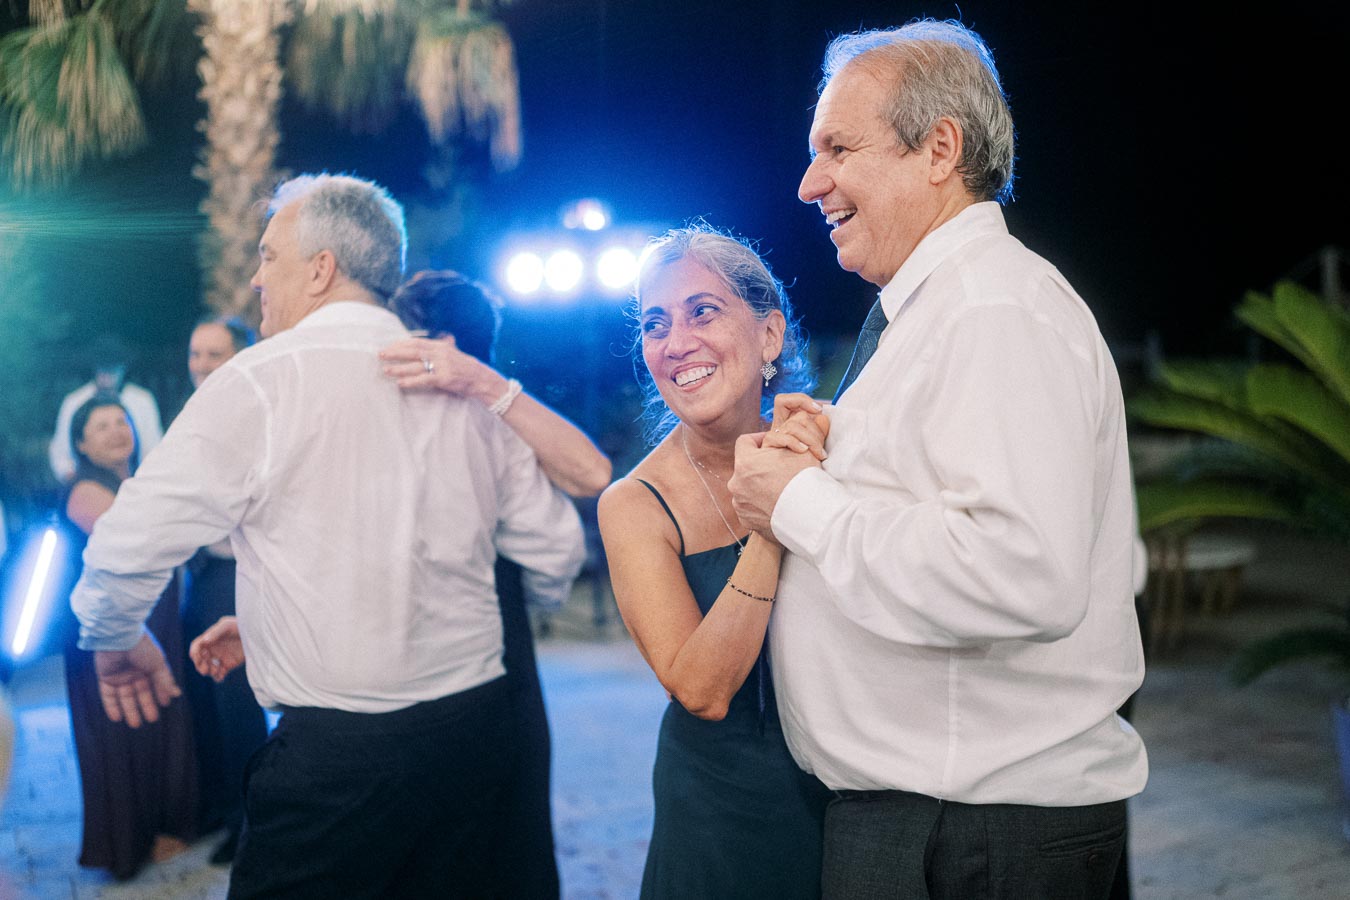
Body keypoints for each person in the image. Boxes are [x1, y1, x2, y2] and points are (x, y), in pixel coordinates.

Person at [69, 173, 586, 898]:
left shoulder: (259, 382)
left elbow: (128, 544)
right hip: (476, 736)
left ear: (321, 268)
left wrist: (114, 637)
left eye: (268, 255)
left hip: (340, 765)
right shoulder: (460, 385)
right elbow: (555, 552)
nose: (255, 277)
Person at [728, 21, 1148, 899]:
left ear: (940, 149)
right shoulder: (943, 308)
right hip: (949, 812)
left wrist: (801, 499)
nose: (811, 184)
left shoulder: (991, 310)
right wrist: (843, 444)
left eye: (838, 147)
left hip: (973, 828)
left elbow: (1018, 570)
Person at [596, 225, 832, 899]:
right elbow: (700, 690)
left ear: (768, 335)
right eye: (655, 323)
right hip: (722, 825)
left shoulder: (829, 442)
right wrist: (773, 519)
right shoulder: (635, 504)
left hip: (857, 802)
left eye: (703, 311)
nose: (676, 342)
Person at [381, 269, 612, 899]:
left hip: (394, 639)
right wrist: (529, 598)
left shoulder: (480, 410)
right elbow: (557, 547)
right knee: (507, 823)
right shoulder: (498, 421)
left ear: (442, 341)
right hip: (495, 622)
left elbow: (593, 474)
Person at [60, 396, 198, 880]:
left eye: (121, 421)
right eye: (101, 426)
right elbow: (139, 536)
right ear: (81, 442)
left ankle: (163, 825)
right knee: (123, 732)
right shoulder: (85, 490)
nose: (117, 431)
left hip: (149, 625)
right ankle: (127, 843)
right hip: (109, 637)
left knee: (157, 725)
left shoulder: (133, 481)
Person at [180, 316, 268, 866]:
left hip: (239, 571)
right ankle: (219, 808)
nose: (203, 365)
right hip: (202, 573)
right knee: (206, 702)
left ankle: (250, 822)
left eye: (215, 354)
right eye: (196, 354)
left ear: (241, 357)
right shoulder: (190, 417)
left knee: (237, 705)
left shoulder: (255, 415)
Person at [49, 337, 163, 483]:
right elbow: (61, 452)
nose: (108, 375)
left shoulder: (141, 400)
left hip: (135, 483)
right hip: (89, 483)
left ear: (123, 367)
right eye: (103, 368)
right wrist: (78, 483)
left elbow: (152, 447)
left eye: (121, 422)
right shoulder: (74, 402)